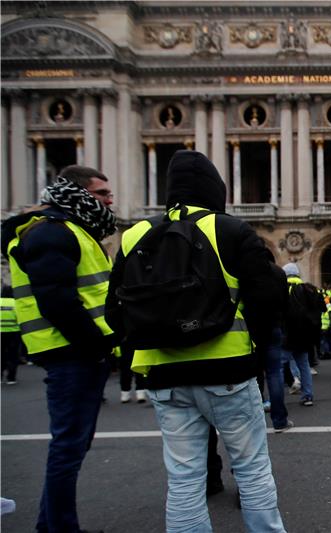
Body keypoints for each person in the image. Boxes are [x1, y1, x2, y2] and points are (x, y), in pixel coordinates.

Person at [106, 150, 287, 532]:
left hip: (163, 376)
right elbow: (269, 297)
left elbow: (113, 313)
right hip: (228, 371)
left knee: (184, 479)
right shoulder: (229, 229)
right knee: (252, 470)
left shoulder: (134, 234)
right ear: (213, 189)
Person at [1, 165, 118, 533]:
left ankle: (49, 524)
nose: (109, 200)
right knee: (68, 447)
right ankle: (61, 528)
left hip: (75, 352)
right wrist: (97, 345)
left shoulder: (71, 232)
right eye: (101, 194)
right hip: (70, 352)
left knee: (73, 445)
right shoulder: (53, 233)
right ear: (78, 194)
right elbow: (57, 301)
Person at [282, 262, 323, 407]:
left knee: (279, 366)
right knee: (304, 365)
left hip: (287, 335)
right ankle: (308, 396)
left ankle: (278, 399)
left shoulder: (283, 288)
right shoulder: (309, 289)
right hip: (305, 335)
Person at [1, 285, 21, 384]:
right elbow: (20, 318)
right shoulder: (15, 303)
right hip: (13, 332)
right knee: (12, 355)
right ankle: (11, 378)